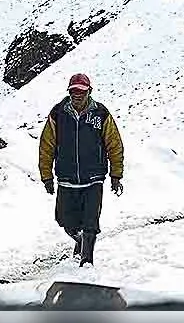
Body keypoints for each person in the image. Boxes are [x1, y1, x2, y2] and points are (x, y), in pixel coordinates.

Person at [38, 73, 124, 266]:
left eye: (81, 91)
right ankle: (80, 240)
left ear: (89, 91)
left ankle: (87, 260)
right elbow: (46, 146)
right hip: (66, 178)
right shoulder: (58, 113)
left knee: (90, 222)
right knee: (64, 220)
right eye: (73, 91)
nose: (77, 95)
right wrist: (46, 176)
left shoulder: (101, 113)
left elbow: (114, 144)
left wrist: (116, 175)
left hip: (94, 177)